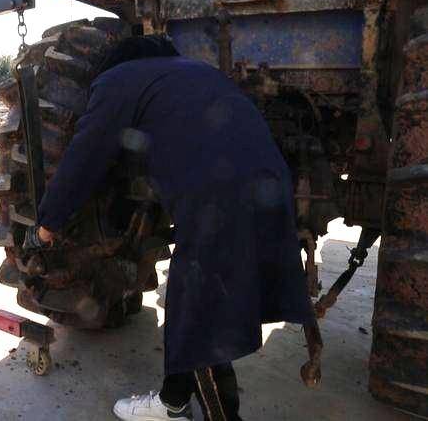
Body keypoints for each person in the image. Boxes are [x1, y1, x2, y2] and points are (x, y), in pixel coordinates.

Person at [23, 36, 313, 420]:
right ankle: (174, 400)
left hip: (220, 195)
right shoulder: (195, 72)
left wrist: (46, 226)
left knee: (199, 314)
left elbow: (83, 158)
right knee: (188, 294)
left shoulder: (117, 80)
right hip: (272, 182)